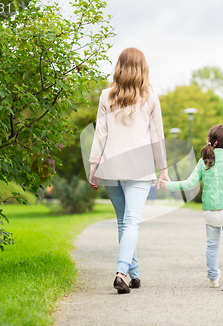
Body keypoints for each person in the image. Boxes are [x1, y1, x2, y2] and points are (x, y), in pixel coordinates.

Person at [88, 48, 170, 294]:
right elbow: (157, 136)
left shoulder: (106, 96)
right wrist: (163, 168)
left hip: (111, 167)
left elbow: (100, 134)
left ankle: (134, 274)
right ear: (143, 68)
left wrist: (93, 166)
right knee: (132, 222)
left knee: (124, 222)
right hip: (140, 168)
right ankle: (121, 273)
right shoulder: (150, 98)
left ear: (119, 67)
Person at [159, 125, 223, 291]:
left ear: (210, 141)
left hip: (211, 212)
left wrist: (169, 185)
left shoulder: (204, 162)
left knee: (212, 246)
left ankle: (214, 277)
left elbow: (189, 184)